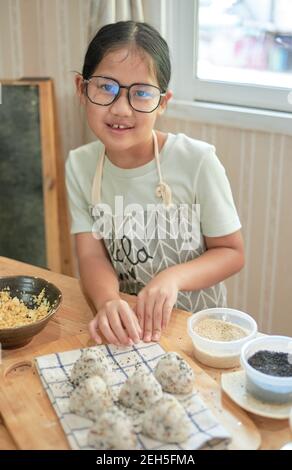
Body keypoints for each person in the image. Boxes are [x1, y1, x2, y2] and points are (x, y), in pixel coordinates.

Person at [65, 20, 244, 347]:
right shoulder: (80, 165)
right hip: (128, 328)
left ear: (162, 102)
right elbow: (92, 255)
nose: (121, 109)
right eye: (106, 87)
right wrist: (107, 301)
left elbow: (231, 252)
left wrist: (172, 278)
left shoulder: (197, 161)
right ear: (81, 88)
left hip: (196, 333)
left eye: (142, 93)